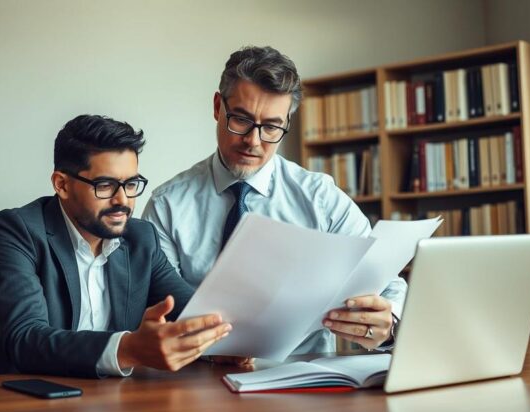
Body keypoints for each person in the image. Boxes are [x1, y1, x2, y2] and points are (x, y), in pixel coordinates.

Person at [142, 46, 405, 352]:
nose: (253, 141)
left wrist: (389, 322)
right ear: (217, 106)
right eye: (240, 120)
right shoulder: (168, 205)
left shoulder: (320, 198)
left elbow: (388, 281)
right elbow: (160, 307)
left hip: (302, 378)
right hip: (197, 378)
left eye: (271, 127)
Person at [0, 114, 232, 378]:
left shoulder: (141, 239)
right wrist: (128, 349)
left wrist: (224, 343)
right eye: (106, 185)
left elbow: (191, 311)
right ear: (62, 184)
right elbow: (26, 339)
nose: (122, 200)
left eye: (131, 184)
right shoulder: (14, 231)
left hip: (111, 402)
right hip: (21, 400)